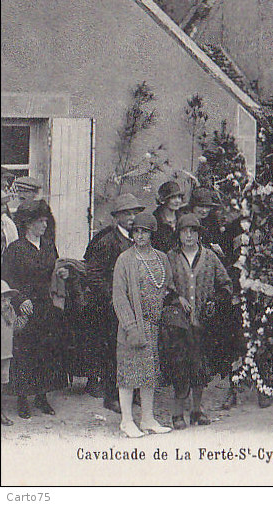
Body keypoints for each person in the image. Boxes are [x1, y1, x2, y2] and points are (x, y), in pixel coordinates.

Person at [1, 200, 69, 419]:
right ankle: (22, 398)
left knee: (45, 352)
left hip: (46, 306)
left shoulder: (49, 246)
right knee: (25, 353)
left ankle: (42, 396)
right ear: (28, 224)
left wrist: (62, 274)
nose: (44, 225)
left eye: (45, 221)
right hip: (26, 308)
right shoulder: (16, 249)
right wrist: (20, 300)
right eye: (40, 221)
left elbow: (55, 269)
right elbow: (6, 279)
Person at [165, 214, 232, 429]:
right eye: (185, 231)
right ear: (179, 234)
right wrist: (177, 298)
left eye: (194, 231)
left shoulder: (210, 257)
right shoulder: (171, 257)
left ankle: (196, 410)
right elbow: (163, 285)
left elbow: (226, 284)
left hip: (203, 322)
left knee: (200, 365)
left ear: (199, 234)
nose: (189, 235)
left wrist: (214, 300)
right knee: (180, 366)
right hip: (179, 324)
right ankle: (177, 413)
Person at [112, 211, 174, 438]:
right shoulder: (125, 260)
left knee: (149, 374)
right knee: (129, 373)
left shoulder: (161, 258)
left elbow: (168, 285)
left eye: (144, 232)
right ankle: (126, 420)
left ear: (152, 234)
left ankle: (147, 418)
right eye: (136, 231)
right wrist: (130, 327)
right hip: (132, 325)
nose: (139, 236)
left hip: (153, 325)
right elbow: (119, 296)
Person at [84, 193, 145, 411]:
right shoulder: (107, 241)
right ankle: (112, 396)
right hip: (111, 307)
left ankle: (135, 392)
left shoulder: (139, 239)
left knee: (135, 348)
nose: (131, 217)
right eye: (126, 213)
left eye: (134, 213)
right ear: (117, 217)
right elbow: (93, 274)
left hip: (135, 304)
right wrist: (113, 298)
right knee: (113, 352)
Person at [1, 280, 29, 426]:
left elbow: (16, 326)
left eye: (8, 298)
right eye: (1, 298)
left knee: (2, 383)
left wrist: (25, 316)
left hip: (6, 353)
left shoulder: (9, 311)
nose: (5, 302)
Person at [152, 181, 185, 253]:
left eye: (179, 197)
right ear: (164, 200)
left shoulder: (183, 219)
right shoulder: (155, 221)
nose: (177, 201)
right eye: (173, 197)